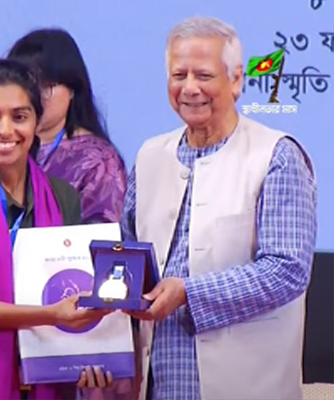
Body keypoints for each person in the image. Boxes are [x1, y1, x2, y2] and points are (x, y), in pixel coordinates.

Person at [122, 17, 317, 400]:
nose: (189, 88)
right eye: (179, 75)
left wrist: (189, 293)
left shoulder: (277, 155)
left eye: (204, 75)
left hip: (246, 385)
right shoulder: (149, 156)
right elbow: (127, 256)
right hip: (160, 383)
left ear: (236, 80)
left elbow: (288, 270)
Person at [0, 58, 117, 400]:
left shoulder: (63, 197)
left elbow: (72, 286)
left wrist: (91, 358)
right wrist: (52, 315)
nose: (5, 130)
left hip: (47, 378)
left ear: (36, 121)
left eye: (19, 117)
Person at [0, 28, 127, 230]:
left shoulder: (98, 161)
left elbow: (99, 240)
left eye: (46, 86)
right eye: (25, 86)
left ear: (73, 89)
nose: (34, 96)